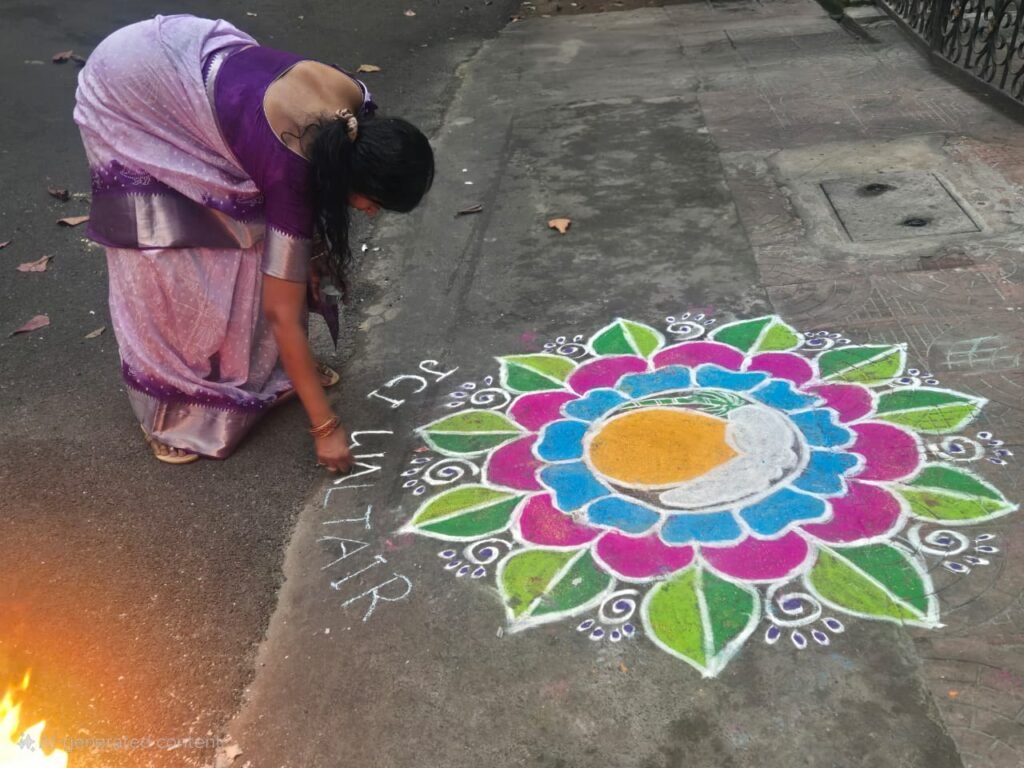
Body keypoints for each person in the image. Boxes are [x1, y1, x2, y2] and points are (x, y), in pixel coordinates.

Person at [73, 15, 434, 472]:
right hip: (130, 90)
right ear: (356, 178)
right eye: (373, 203)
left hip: (194, 62)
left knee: (258, 238)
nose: (371, 212)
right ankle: (171, 405)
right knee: (164, 248)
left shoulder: (356, 120)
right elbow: (281, 311)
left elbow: (295, 245)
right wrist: (325, 427)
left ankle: (269, 368)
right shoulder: (292, 168)